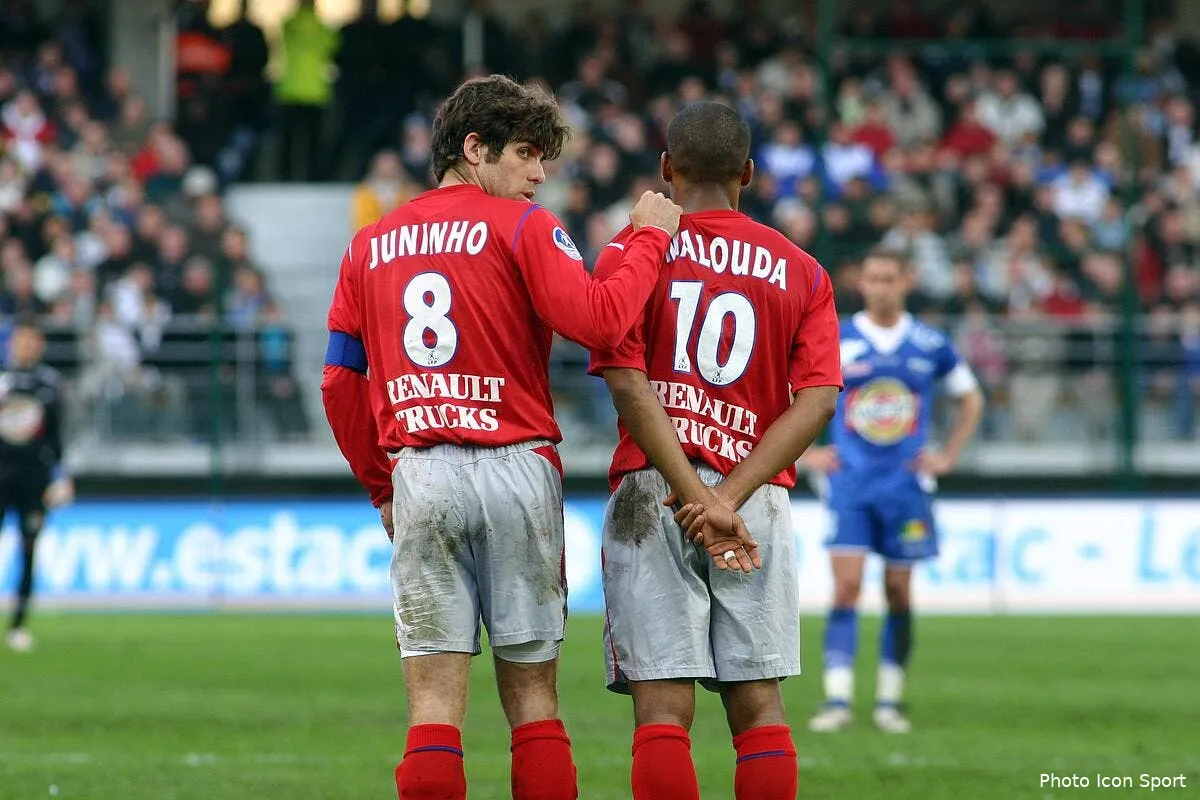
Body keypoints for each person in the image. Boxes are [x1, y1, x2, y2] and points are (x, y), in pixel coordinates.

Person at [320, 74, 682, 800]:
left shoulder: (370, 244)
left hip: (419, 470)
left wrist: (382, 487)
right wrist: (646, 239)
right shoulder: (526, 225)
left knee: (431, 712)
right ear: (473, 147)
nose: (539, 174)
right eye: (526, 154)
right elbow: (603, 323)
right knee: (533, 706)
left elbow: (338, 382)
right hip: (515, 466)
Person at [588, 101, 843, 800]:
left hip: (654, 490)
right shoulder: (802, 269)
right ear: (750, 174)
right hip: (752, 499)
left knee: (663, 709)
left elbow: (625, 379)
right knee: (758, 706)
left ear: (667, 169)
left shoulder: (634, 247)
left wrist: (693, 494)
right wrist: (727, 496)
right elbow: (818, 398)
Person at [803, 249, 984, 734]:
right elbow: (786, 392)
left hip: (906, 485)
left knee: (899, 591)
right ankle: (837, 699)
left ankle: (889, 700)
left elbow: (970, 398)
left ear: (907, 280)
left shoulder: (929, 342)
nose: (881, 287)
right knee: (846, 586)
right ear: (861, 281)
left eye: (890, 278)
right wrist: (805, 454)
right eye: (873, 277)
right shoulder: (839, 338)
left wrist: (947, 455)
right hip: (851, 484)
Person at [1, 320, 73, 653]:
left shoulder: (50, 384)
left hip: (34, 477)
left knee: (29, 549)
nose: (25, 345)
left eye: (32, 340)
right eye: (21, 339)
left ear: (39, 344)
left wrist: (61, 477)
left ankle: (18, 625)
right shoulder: (2, 380)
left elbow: (58, 438)